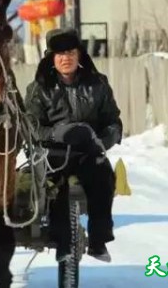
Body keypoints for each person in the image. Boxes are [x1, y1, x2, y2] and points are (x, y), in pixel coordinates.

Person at [24, 28, 122, 263]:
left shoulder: (97, 84)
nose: (65, 58)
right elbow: (30, 126)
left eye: (70, 52)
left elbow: (113, 122)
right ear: (51, 58)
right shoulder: (39, 88)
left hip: (89, 150)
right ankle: (63, 245)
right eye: (59, 54)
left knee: (103, 179)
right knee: (58, 188)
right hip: (54, 152)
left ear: (79, 55)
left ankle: (99, 241)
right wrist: (58, 133)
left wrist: (101, 141)